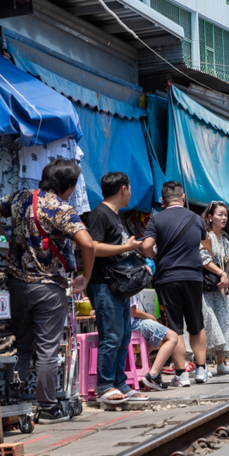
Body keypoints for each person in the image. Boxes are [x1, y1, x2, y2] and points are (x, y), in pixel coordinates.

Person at [0, 159, 94, 423]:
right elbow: (88, 243)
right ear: (70, 185)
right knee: (47, 350)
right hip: (48, 288)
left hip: (16, 285)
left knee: (21, 346)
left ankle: (14, 400)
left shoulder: (20, 198)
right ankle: (48, 408)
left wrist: (0, 233)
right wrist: (86, 275)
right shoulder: (62, 209)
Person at [86, 172, 150, 405]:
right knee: (111, 337)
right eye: (130, 188)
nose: (131, 193)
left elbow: (120, 249)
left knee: (123, 336)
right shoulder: (99, 214)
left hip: (118, 285)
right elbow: (92, 246)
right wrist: (126, 247)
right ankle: (104, 386)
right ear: (124, 188)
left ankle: (120, 383)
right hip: (103, 283)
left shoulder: (116, 215)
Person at [140, 182, 210, 383]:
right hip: (193, 277)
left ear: (162, 201)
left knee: (174, 326)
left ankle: (181, 374)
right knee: (197, 325)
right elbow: (205, 240)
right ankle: (201, 370)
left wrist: (153, 254)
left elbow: (146, 246)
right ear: (183, 197)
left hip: (167, 278)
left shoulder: (156, 219)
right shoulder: (195, 219)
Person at [197, 201, 229, 374]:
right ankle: (204, 364)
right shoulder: (205, 237)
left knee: (222, 323)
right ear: (210, 217)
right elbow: (203, 259)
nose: (223, 218)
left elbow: (226, 268)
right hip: (206, 288)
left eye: (225, 215)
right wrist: (221, 274)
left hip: (220, 290)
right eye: (219, 214)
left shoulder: (224, 239)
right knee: (209, 325)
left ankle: (220, 363)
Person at [130, 296, 190, 388]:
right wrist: (150, 317)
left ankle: (139, 365)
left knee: (154, 337)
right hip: (133, 323)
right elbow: (132, 311)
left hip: (125, 324)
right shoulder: (127, 284)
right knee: (172, 337)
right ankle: (153, 375)